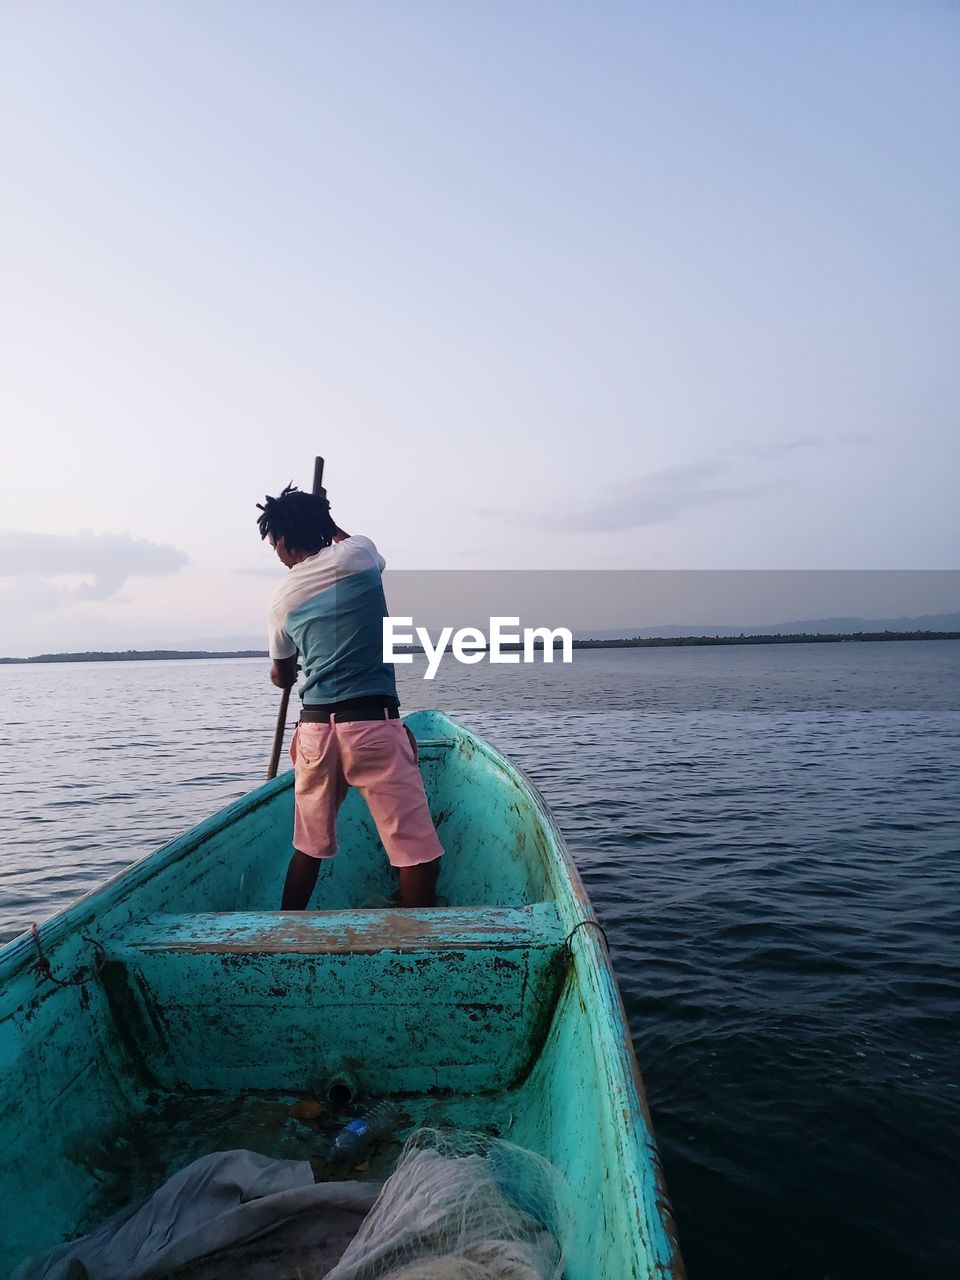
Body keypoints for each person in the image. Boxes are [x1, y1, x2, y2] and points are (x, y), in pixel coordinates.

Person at [256, 483, 443, 909]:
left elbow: (284, 677)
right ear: (324, 524)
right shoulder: (358, 554)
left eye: (274, 544)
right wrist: (327, 519)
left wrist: (279, 665)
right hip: (372, 724)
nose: (276, 553)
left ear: (284, 540)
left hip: (316, 732)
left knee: (308, 844)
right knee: (415, 849)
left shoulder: (281, 597)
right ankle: (416, 941)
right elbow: (348, 543)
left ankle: (286, 931)